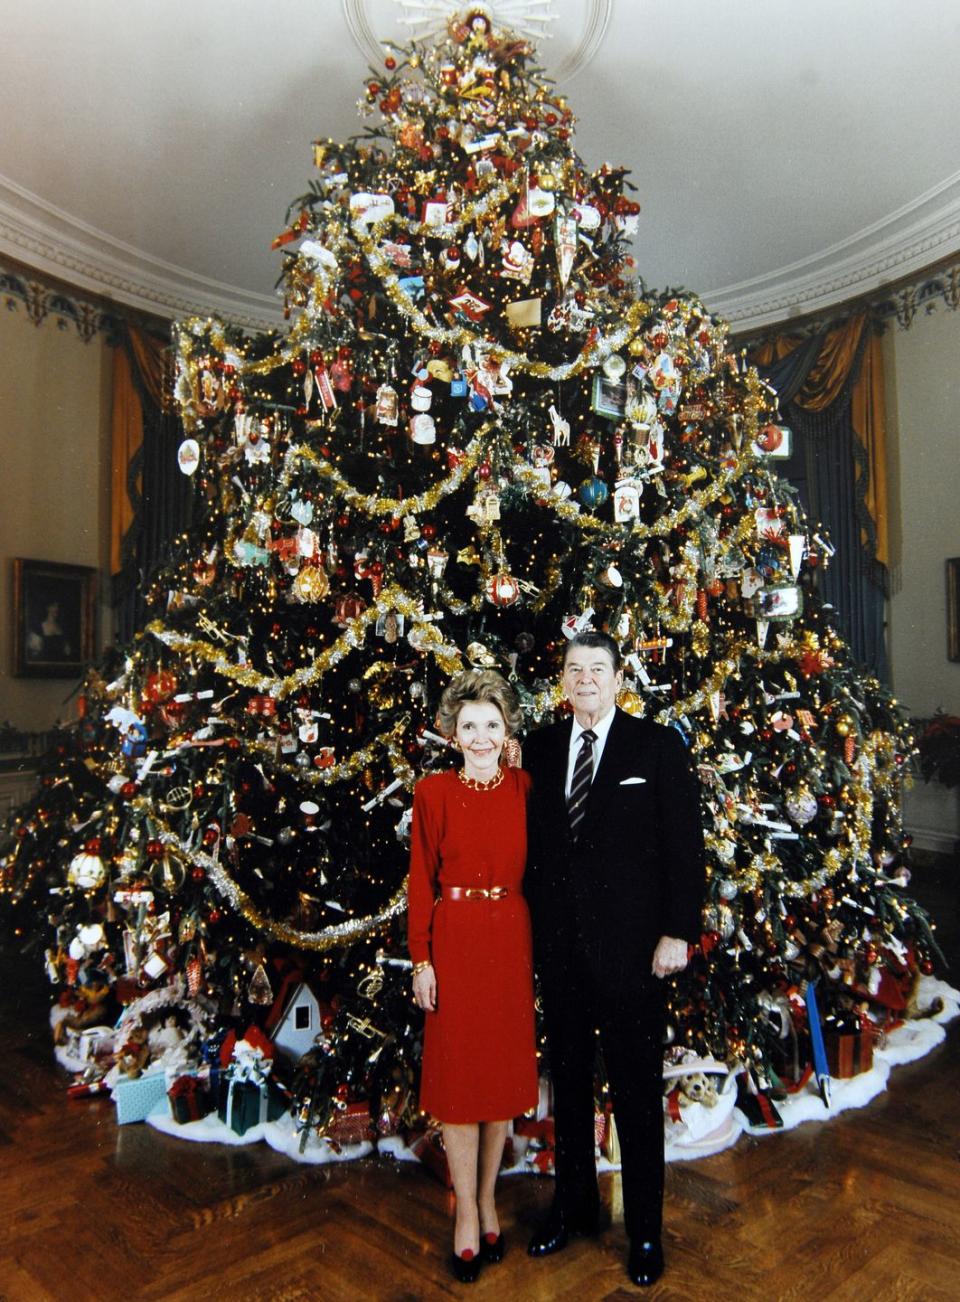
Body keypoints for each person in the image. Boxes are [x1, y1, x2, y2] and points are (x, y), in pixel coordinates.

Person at [523, 630, 705, 1288]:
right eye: (574, 668)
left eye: (597, 668)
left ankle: (646, 1234)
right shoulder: (540, 750)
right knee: (568, 1088)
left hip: (634, 957)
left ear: (618, 675)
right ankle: (573, 1209)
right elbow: (533, 855)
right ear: (563, 679)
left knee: (634, 1095)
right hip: (562, 954)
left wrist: (677, 932)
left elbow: (685, 850)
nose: (586, 679)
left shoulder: (655, 745)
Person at [407, 669, 538, 1284]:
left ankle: (488, 1199)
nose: (480, 736)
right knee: (461, 1075)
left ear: (507, 729)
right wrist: (422, 961)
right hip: (455, 938)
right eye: (469, 725)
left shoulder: (525, 788)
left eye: (492, 724)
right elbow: (419, 884)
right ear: (452, 732)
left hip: (510, 937)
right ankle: (464, 1213)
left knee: (500, 1077)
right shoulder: (431, 793)